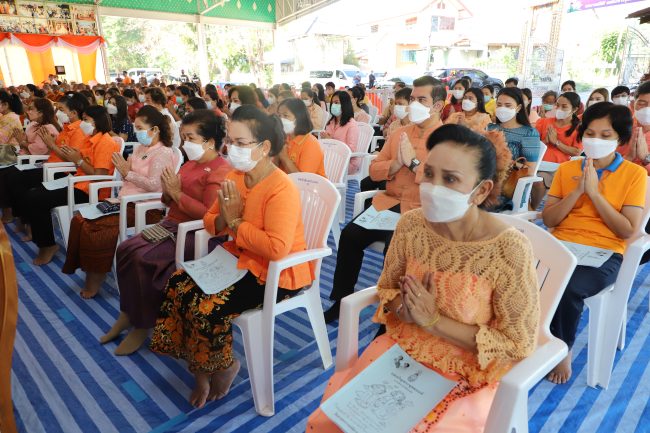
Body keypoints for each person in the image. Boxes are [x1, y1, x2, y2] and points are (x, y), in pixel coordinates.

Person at [308, 124, 539, 431]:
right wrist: (404, 309)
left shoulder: (507, 249)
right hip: (403, 350)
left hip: (466, 372)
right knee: (340, 422)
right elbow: (388, 291)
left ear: (481, 190)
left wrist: (433, 321)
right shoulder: (412, 224)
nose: (433, 187)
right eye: (429, 173)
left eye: (451, 179)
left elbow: (517, 344)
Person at [149, 105, 313, 409]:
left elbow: (276, 248)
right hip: (238, 259)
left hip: (275, 272)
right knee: (178, 285)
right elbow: (212, 222)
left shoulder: (281, 188)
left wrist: (235, 222)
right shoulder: (237, 176)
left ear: (264, 147)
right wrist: (226, 218)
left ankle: (223, 367)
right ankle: (200, 370)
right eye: (231, 143)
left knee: (206, 306)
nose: (232, 150)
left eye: (241, 143)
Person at [103, 109, 230, 355]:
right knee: (126, 249)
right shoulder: (191, 164)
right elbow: (168, 198)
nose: (185, 144)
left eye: (191, 138)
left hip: (197, 235)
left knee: (144, 258)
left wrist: (177, 193)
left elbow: (208, 217)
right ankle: (127, 314)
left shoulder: (220, 170)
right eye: (184, 138)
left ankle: (143, 323)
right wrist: (170, 191)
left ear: (210, 142)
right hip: (173, 224)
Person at [324, 75, 446, 323]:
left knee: (395, 249)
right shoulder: (400, 133)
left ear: (437, 106)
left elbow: (441, 182)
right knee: (349, 236)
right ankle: (341, 300)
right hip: (388, 203)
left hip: (419, 212)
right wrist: (396, 164)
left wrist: (412, 163)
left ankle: (391, 311)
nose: (413, 105)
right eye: (412, 99)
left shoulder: (448, 138)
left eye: (421, 100)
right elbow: (375, 170)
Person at [543, 102, 646, 384]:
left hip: (605, 252)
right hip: (561, 244)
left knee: (568, 286)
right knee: (515, 272)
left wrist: (595, 194)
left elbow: (626, 230)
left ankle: (560, 348)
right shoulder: (567, 170)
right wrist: (577, 191)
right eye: (590, 133)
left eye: (605, 135)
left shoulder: (634, 175)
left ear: (621, 140)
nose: (595, 141)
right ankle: (524, 338)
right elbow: (550, 219)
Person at [62, 106, 178, 299]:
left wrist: (127, 173)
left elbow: (154, 185)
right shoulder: (141, 148)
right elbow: (127, 178)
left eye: (140, 128)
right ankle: (84, 268)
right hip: (125, 200)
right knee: (80, 220)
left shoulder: (162, 153)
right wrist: (126, 174)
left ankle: (95, 280)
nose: (137, 131)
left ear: (155, 129)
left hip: (145, 208)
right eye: (136, 127)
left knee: (97, 229)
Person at [21, 105, 119, 265]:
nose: (82, 123)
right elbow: (77, 162)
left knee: (37, 198)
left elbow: (100, 176)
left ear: (97, 122)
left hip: (90, 190)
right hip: (78, 182)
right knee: (33, 194)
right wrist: (73, 157)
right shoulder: (90, 139)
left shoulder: (105, 142)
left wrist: (77, 160)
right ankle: (44, 242)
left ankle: (47, 245)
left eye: (86, 120)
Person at [6, 93, 89, 234]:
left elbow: (71, 159)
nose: (58, 112)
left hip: (62, 171)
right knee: (12, 175)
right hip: (51, 166)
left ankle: (32, 227)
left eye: (61, 109)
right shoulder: (67, 127)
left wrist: (51, 145)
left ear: (74, 113)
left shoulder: (79, 131)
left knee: (25, 187)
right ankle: (24, 219)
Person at [0, 97, 60, 221]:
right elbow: (26, 142)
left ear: (41, 112)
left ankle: (23, 218)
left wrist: (23, 142)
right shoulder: (33, 125)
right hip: (26, 157)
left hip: (40, 162)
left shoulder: (48, 128)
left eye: (32, 109)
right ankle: (16, 214)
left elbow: (39, 150)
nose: (28, 111)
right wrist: (24, 143)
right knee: (6, 174)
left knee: (11, 176)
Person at [488, 88, 542, 209]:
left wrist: (505, 163)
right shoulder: (490, 128)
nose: (502, 109)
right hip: (483, 179)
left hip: (506, 187)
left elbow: (529, 171)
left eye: (508, 105)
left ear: (518, 108)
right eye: (499, 105)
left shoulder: (528, 133)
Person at [276, 98, 326, 176]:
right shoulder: (285, 138)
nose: (281, 119)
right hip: (286, 185)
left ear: (299, 118)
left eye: (285, 115)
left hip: (312, 187)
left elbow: (303, 180)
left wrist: (284, 157)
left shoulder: (310, 143)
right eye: (279, 115)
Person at [536, 92, 582, 163]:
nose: (559, 109)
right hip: (538, 163)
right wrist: (545, 141)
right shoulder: (543, 122)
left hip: (558, 167)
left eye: (564, 106)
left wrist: (556, 142)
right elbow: (532, 145)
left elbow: (576, 152)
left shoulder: (578, 128)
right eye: (557, 105)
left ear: (574, 109)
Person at [322, 90, 360, 174]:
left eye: (336, 102)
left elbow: (351, 150)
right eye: (332, 103)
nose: (333, 105)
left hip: (347, 161)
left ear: (345, 104)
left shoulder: (351, 124)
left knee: (321, 167)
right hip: (331, 157)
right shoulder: (330, 122)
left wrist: (331, 141)